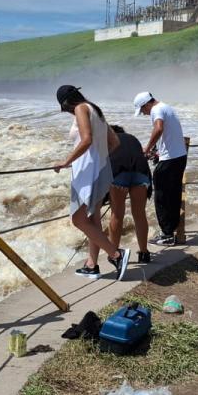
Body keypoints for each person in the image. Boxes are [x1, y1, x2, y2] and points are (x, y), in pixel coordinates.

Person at [55, 86, 129, 281]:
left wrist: (66, 161)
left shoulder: (80, 108)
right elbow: (114, 143)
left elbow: (86, 140)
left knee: (78, 219)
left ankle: (116, 255)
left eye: (64, 108)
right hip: (99, 170)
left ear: (66, 102)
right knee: (93, 219)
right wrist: (99, 160)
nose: (68, 112)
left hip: (87, 173)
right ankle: (91, 265)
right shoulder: (96, 110)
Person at [133, 91, 188, 246]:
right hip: (179, 156)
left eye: (142, 110)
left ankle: (166, 235)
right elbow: (169, 136)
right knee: (174, 195)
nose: (144, 114)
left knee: (162, 197)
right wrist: (157, 152)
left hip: (169, 160)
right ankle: (171, 230)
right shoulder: (167, 107)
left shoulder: (156, 110)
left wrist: (146, 148)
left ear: (146, 104)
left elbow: (158, 129)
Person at [107, 125, 153, 263]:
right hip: (141, 173)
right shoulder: (133, 138)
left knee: (117, 215)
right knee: (139, 214)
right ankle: (144, 253)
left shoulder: (109, 140)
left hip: (119, 174)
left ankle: (114, 254)